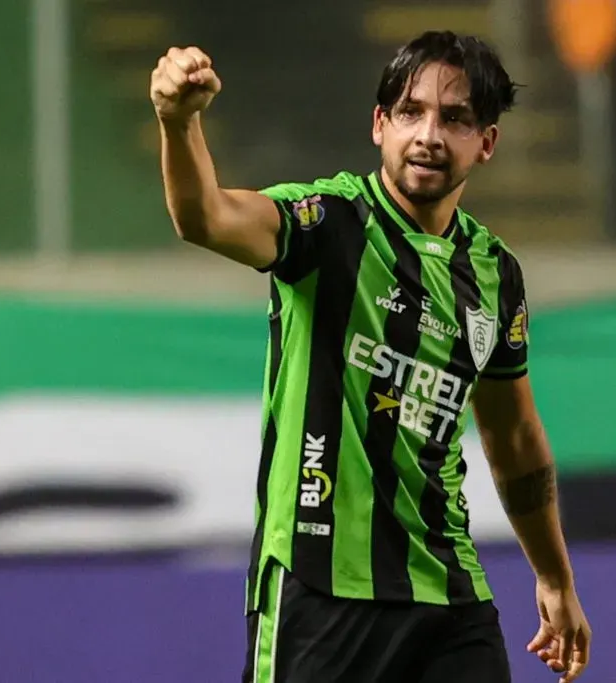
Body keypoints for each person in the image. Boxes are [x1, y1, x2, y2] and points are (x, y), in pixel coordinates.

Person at [149, 30, 592, 683]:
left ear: (487, 142)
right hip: (318, 586)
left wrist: (554, 576)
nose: (429, 136)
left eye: (456, 119)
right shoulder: (326, 225)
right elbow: (205, 217)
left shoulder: (495, 275)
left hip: (446, 593)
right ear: (379, 125)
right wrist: (178, 120)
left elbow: (514, 433)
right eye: (411, 112)